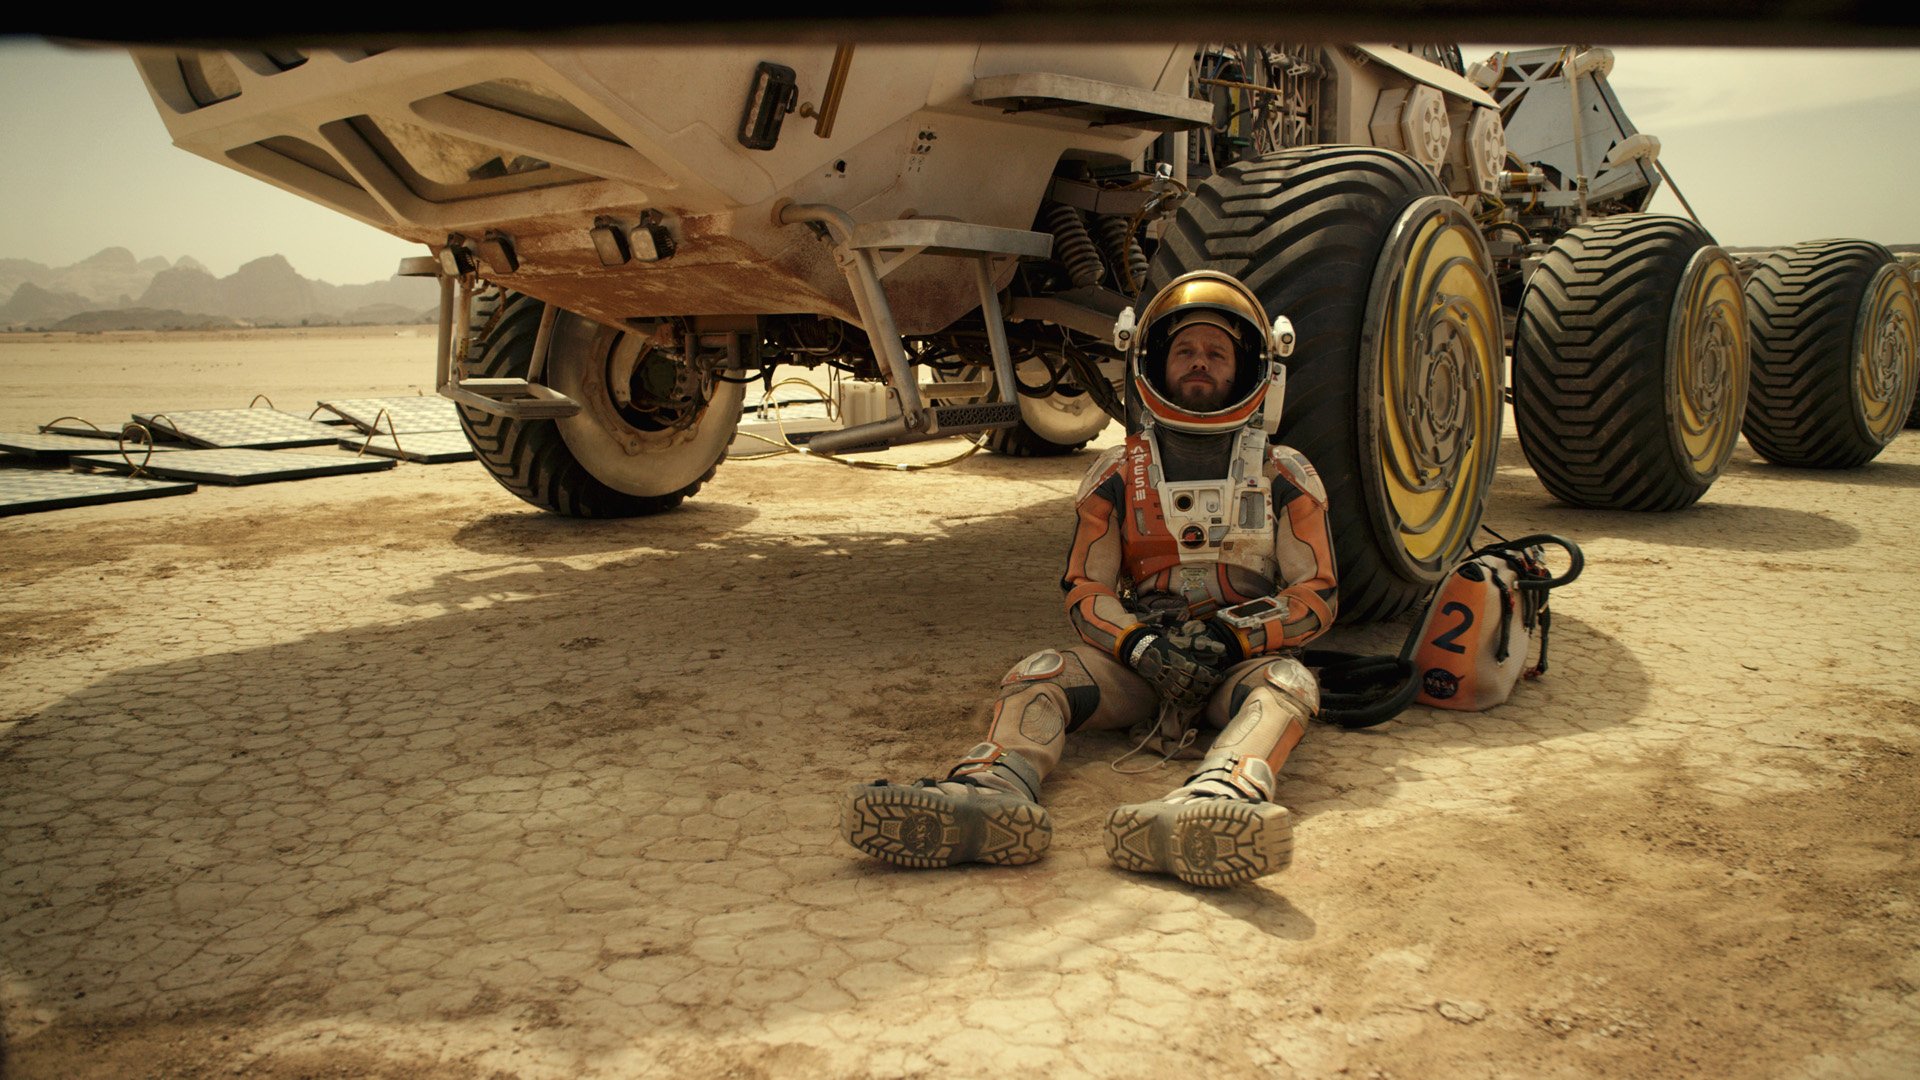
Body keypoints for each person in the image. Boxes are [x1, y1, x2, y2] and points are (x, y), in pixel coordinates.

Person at [841, 270, 1337, 887]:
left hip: (1234, 668)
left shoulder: (1285, 472)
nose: (1199, 362)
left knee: (1289, 681)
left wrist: (1230, 638)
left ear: (1250, 371)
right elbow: (1085, 588)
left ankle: (1219, 800)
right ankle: (989, 790)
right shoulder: (1116, 472)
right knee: (1041, 672)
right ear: (1152, 364)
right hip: (1141, 665)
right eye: (1184, 350)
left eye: (1217, 353)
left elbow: (1315, 593)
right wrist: (1141, 645)